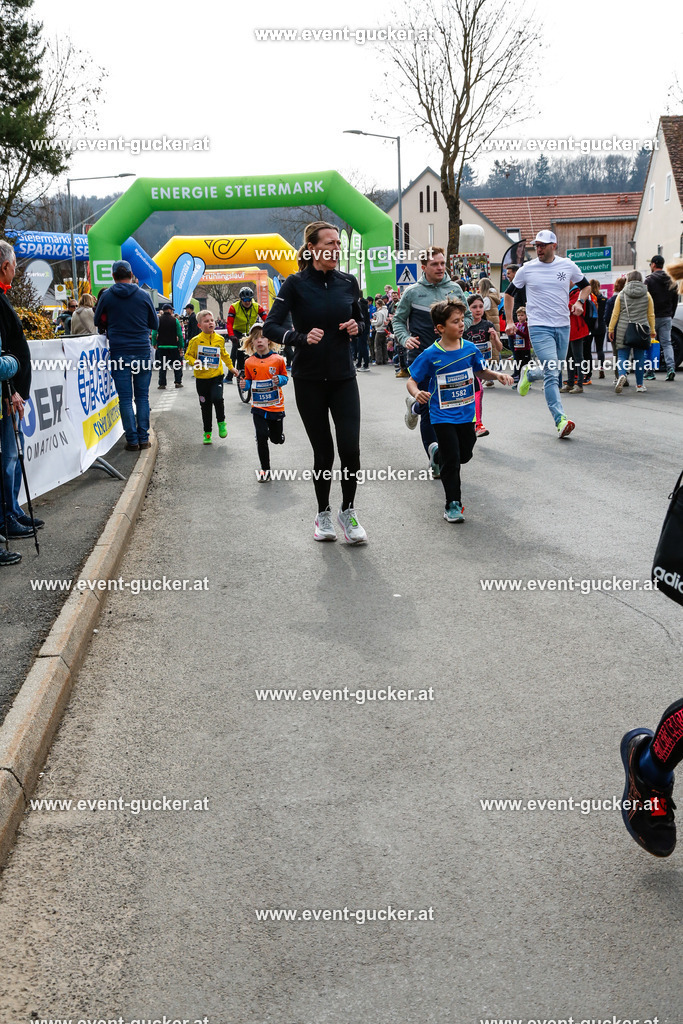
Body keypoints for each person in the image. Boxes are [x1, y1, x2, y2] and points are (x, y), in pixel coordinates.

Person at [263, 220, 367, 544]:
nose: (336, 249)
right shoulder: (295, 284)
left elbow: (362, 319)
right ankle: (323, 513)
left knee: (350, 450)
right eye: (330, 243)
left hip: (343, 377)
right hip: (309, 381)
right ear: (312, 248)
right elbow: (270, 327)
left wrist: (356, 326)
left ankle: (347, 511)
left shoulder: (348, 282)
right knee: (324, 454)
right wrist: (299, 337)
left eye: (338, 243)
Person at [406, 299, 514, 523]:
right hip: (441, 415)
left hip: (466, 414)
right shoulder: (430, 354)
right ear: (440, 328)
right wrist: (417, 393)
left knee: (465, 454)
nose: (461, 325)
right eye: (455, 322)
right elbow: (412, 381)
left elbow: (481, 371)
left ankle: (437, 454)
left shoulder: (470, 348)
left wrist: (498, 375)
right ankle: (452, 504)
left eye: (461, 320)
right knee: (453, 461)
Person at [504, 230, 591, 439]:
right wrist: (508, 321)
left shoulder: (567, 265)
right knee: (553, 373)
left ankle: (530, 374)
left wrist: (580, 301)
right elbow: (508, 294)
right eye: (537, 245)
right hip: (539, 327)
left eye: (543, 245)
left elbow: (586, 286)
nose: (539, 249)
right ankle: (560, 419)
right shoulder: (527, 269)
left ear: (554, 245)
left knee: (555, 370)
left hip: (563, 326)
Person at [393, 247, 472, 476]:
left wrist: (457, 330)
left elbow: (466, 316)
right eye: (435, 264)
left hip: (450, 355)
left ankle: (413, 406)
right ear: (423, 267)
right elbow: (398, 320)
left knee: (446, 403)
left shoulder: (454, 289)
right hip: (422, 354)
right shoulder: (412, 292)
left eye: (442, 263)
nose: (440, 267)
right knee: (429, 406)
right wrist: (405, 338)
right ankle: (435, 454)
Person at [0, 239, 46, 562]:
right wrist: (13, 381)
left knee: (12, 457)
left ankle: (12, 511)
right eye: (15, 263)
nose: (16, 268)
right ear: (5, 266)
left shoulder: (3, 295)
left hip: (11, 391)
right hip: (8, 392)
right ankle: (8, 516)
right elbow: (5, 353)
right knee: (8, 460)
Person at [94, 260, 158, 452]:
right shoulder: (143, 295)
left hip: (119, 351)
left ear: (113, 276)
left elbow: (97, 319)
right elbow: (155, 324)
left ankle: (132, 440)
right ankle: (143, 438)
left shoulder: (107, 296)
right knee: (142, 397)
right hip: (142, 351)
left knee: (125, 398)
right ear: (131, 275)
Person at [241, 322, 288, 482]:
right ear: (251, 342)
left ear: (269, 340)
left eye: (263, 337)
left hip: (275, 406)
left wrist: (279, 379)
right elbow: (248, 381)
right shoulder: (249, 362)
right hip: (259, 407)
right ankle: (265, 471)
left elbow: (285, 378)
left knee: (275, 439)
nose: (259, 341)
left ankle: (277, 436)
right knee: (261, 437)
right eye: (255, 338)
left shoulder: (278, 359)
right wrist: (244, 385)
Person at [184, 310, 234, 444]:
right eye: (206, 321)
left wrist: (231, 368)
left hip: (216, 376)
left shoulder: (220, 339)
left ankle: (221, 422)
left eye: (211, 320)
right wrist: (194, 361)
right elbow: (187, 355)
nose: (210, 323)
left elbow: (224, 355)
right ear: (199, 325)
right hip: (201, 379)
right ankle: (207, 433)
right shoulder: (195, 341)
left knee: (218, 398)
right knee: (205, 406)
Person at [609, 271, 656, 394]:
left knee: (623, 356)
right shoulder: (647, 295)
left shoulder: (622, 294)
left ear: (628, 280)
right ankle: (640, 385)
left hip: (624, 329)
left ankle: (622, 375)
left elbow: (615, 314)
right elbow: (650, 314)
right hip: (641, 330)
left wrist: (611, 329)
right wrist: (652, 330)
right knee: (639, 357)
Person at [463, 294, 501, 437]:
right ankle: (467, 423)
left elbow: (499, 347)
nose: (478, 310)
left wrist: (495, 338)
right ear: (468, 308)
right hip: (464, 365)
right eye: (474, 307)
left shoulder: (487, 325)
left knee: (478, 391)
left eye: (480, 306)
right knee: (467, 395)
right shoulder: (463, 326)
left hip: (479, 366)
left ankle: (478, 424)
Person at [645, 254, 678, 381]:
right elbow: (675, 300)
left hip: (651, 318)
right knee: (667, 344)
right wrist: (671, 314)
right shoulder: (672, 280)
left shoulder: (649, 280)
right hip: (666, 316)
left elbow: (645, 300)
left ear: (653, 265)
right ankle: (670, 368)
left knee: (651, 344)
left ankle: (650, 372)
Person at [225, 287, 268, 383]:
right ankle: (229, 376)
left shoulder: (257, 306)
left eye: (249, 300)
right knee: (235, 353)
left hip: (250, 332)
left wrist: (270, 329)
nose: (247, 302)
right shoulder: (234, 307)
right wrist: (231, 335)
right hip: (237, 332)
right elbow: (229, 324)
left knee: (254, 350)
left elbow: (267, 320)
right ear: (241, 299)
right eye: (245, 300)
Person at [562, 282, 591, 394]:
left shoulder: (577, 293)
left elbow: (571, 307)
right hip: (570, 329)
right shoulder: (571, 292)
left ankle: (579, 384)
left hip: (576, 329)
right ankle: (570, 383)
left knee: (578, 357)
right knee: (570, 357)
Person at [153, 304, 185, 389]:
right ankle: (178, 382)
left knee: (162, 366)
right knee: (177, 365)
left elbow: (154, 333)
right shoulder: (175, 321)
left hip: (162, 346)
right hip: (173, 346)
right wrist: (181, 346)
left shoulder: (158, 320)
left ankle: (162, 384)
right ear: (169, 310)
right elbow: (180, 335)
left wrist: (154, 343)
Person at [604, 277, 626, 383]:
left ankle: (618, 377)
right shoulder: (628, 299)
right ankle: (625, 374)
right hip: (628, 330)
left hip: (615, 331)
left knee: (617, 355)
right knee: (626, 354)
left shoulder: (611, 300)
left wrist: (610, 328)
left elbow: (607, 317)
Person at [589, 280, 607, 379]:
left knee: (587, 350)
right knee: (599, 349)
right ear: (599, 287)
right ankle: (601, 368)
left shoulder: (589, 299)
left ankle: (588, 370)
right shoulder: (604, 299)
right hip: (601, 325)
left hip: (590, 326)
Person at [511, 306, 531, 384]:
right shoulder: (516, 324)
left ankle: (527, 381)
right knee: (518, 365)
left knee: (525, 366)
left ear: (526, 316)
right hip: (517, 348)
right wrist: (511, 333)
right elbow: (513, 336)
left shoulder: (526, 325)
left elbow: (526, 335)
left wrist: (518, 331)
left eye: (522, 315)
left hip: (525, 349)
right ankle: (519, 381)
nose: (520, 317)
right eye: (518, 315)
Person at [371, 298, 389, 365]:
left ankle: (379, 360)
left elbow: (379, 322)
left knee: (378, 346)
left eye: (376, 304)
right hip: (385, 329)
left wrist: (373, 322)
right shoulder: (386, 311)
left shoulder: (379, 312)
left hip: (379, 330)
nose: (376, 306)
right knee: (384, 345)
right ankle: (385, 359)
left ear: (379, 304)